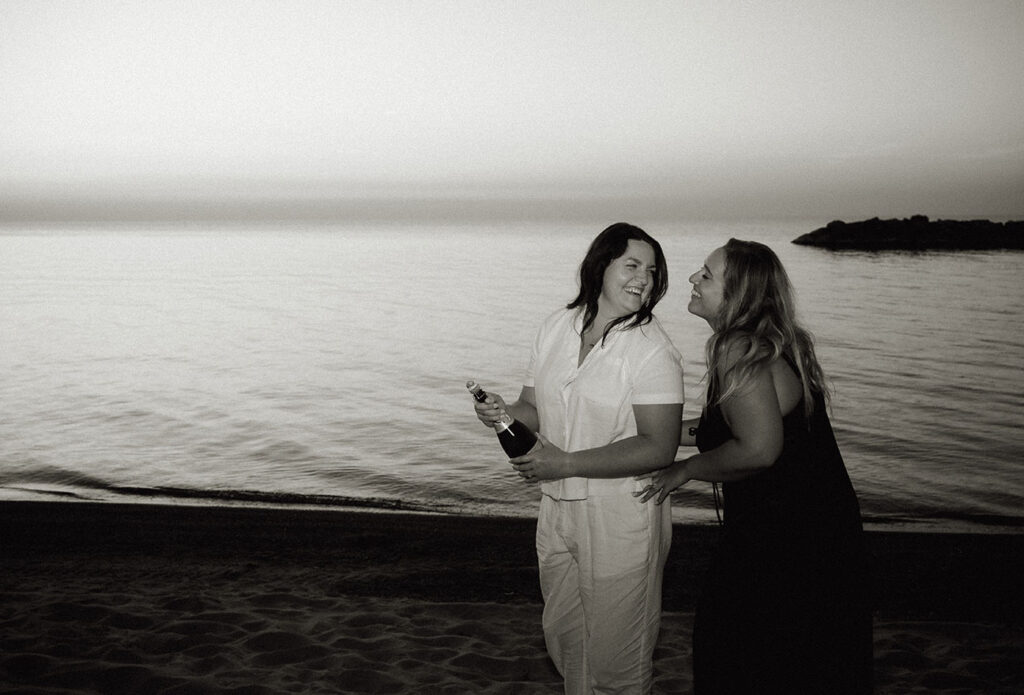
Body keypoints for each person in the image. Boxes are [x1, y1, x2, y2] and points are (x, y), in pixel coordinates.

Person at [637, 238, 872, 694]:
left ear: (738, 294)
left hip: (786, 540)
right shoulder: (770, 344)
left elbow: (759, 448)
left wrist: (684, 470)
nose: (692, 278)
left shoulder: (737, 348)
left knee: (738, 655)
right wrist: (642, 431)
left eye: (706, 275)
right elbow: (724, 426)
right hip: (819, 532)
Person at [471, 222, 685, 694]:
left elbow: (659, 445)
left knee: (618, 663)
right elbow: (535, 410)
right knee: (566, 641)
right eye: (632, 265)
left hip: (622, 514)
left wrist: (565, 463)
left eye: (652, 271)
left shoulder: (653, 351)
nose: (643, 279)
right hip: (557, 507)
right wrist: (501, 412)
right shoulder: (556, 327)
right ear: (600, 266)